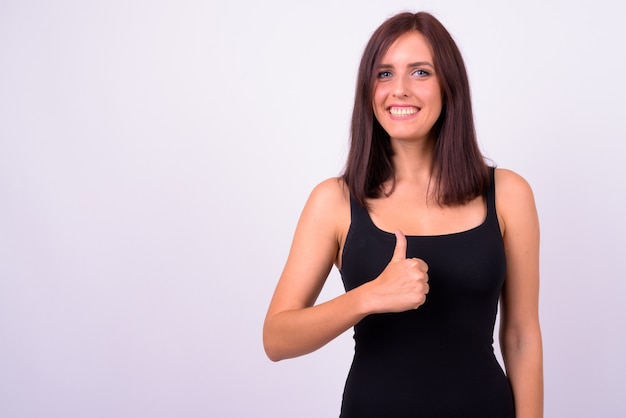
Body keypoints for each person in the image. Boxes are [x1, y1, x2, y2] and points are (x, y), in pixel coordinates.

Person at [263, 11, 543, 418]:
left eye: (420, 72)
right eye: (384, 74)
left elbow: (521, 337)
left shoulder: (507, 194)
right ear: (368, 89)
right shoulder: (335, 200)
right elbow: (277, 338)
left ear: (449, 84)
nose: (399, 90)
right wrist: (370, 296)